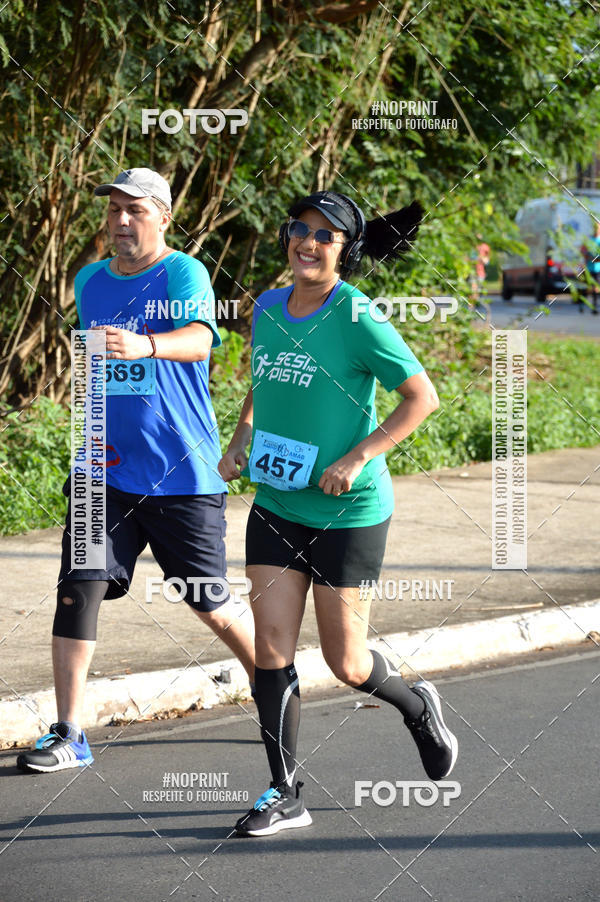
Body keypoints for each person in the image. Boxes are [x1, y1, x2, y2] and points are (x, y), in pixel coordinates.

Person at [219, 190, 458, 837]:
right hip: (275, 502)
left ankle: (416, 704)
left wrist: (358, 457)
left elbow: (421, 398)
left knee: (346, 663)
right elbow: (261, 378)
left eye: (326, 235)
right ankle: (285, 792)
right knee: (270, 648)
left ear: (345, 249)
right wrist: (241, 436)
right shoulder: (267, 307)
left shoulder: (356, 315)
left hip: (347, 510)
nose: (309, 242)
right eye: (300, 228)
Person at [17, 168, 255, 773]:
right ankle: (69, 731)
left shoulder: (183, 273)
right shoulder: (90, 280)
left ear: (163, 216)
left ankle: (274, 683)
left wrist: (146, 345)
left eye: (135, 211)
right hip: (104, 470)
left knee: (209, 603)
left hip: (181, 472)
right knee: (79, 590)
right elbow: (94, 366)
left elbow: (202, 340)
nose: (121, 221)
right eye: (114, 210)